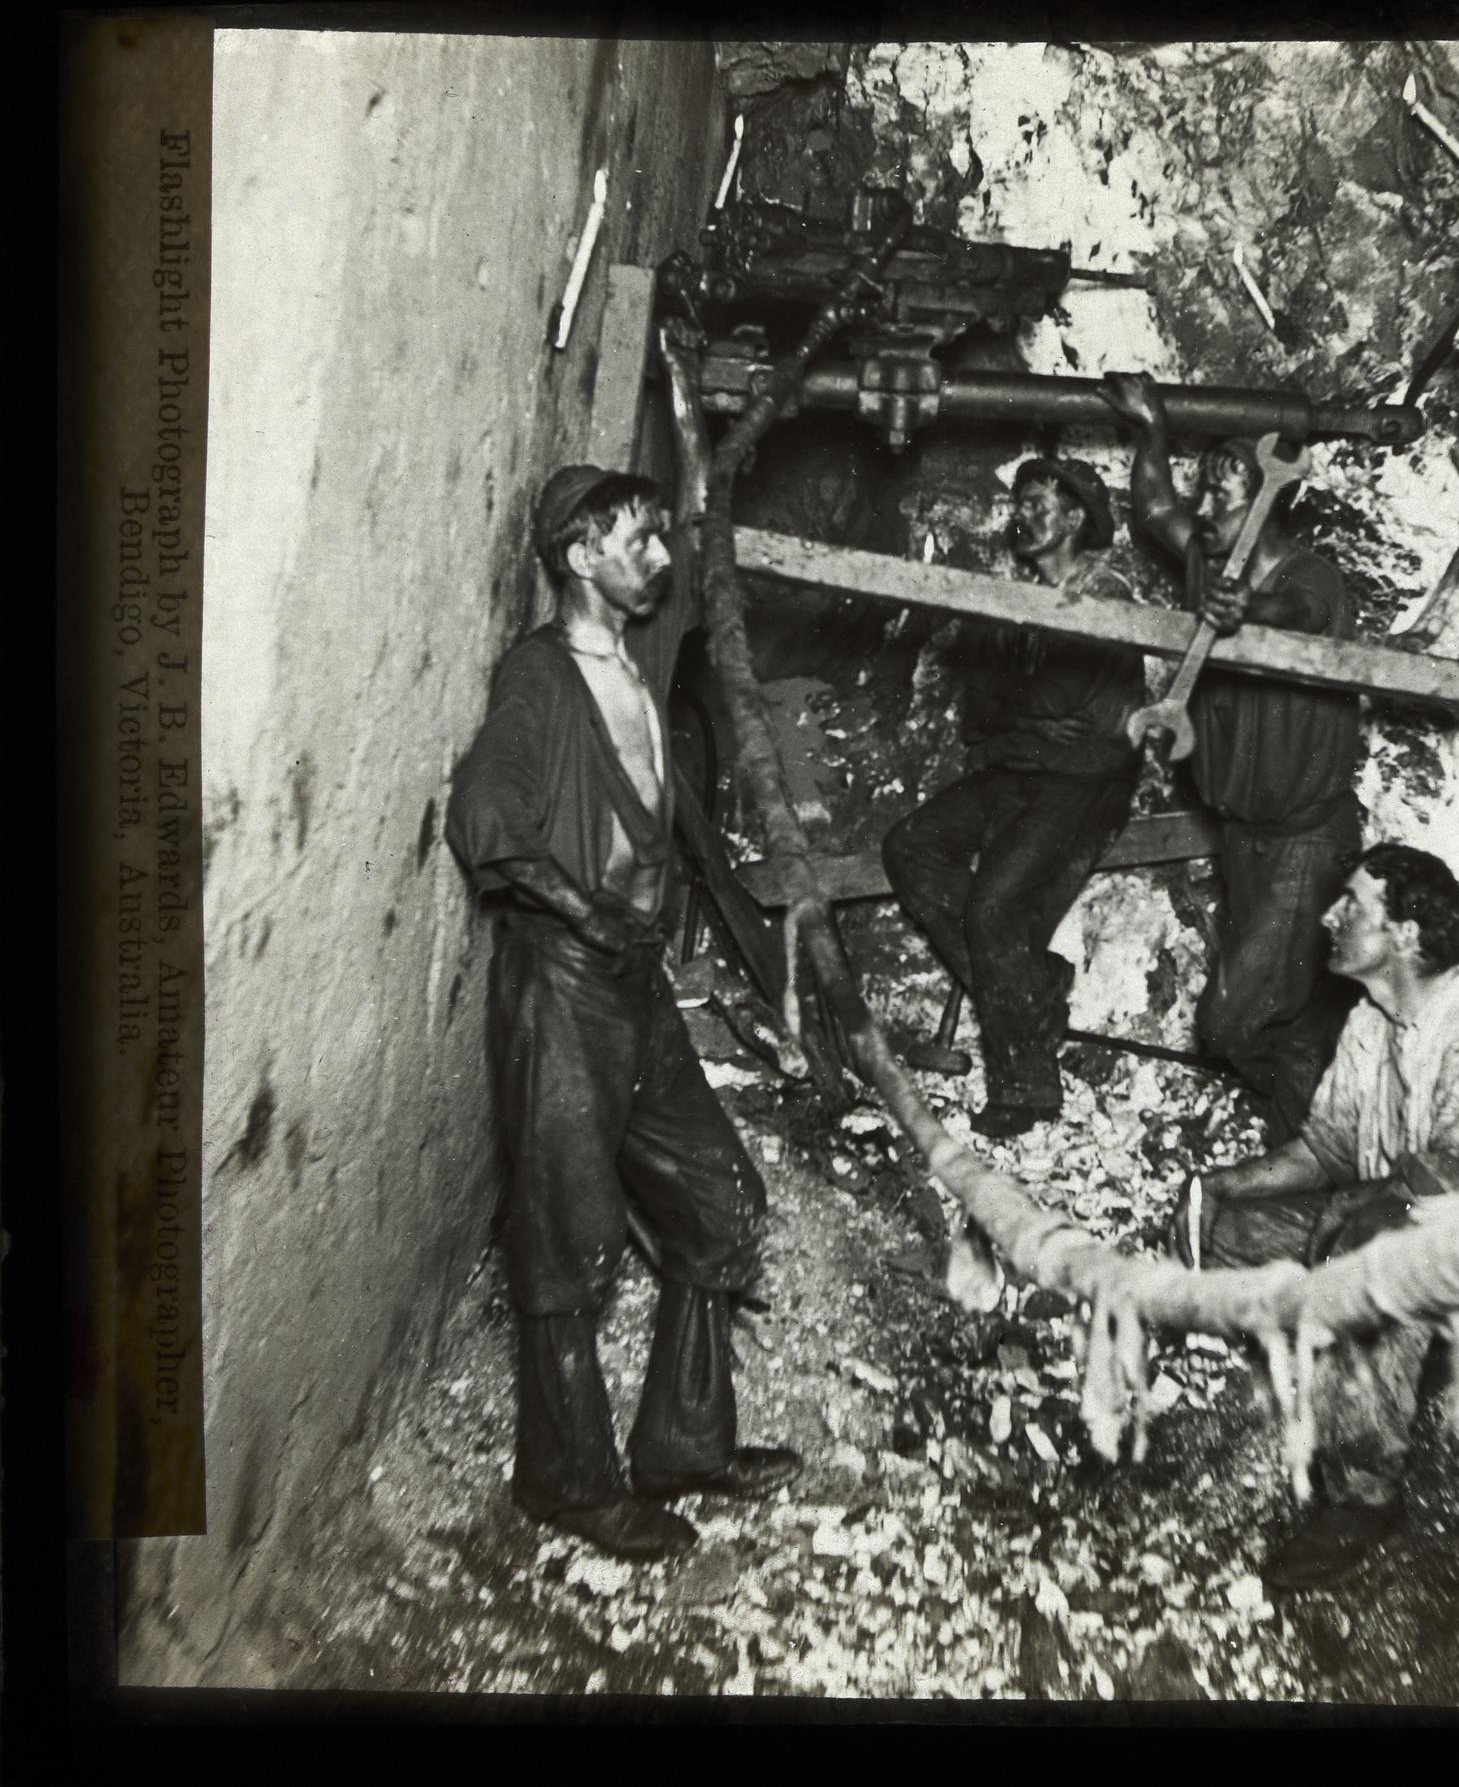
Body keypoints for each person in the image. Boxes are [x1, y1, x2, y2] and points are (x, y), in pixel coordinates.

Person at [448, 465, 796, 1561]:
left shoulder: (634, 670)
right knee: (567, 1243)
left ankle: (683, 1446)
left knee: (717, 1201)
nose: (658, 555)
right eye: (638, 539)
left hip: (633, 988)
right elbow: (484, 817)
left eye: (659, 536)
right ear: (579, 554)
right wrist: (584, 913)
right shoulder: (540, 680)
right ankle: (568, 1484)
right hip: (561, 987)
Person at [1194, 844, 1459, 1590]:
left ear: (1402, 933)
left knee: (1370, 1241)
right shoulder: (1372, 1022)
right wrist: (1220, 1185)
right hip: (1404, 1242)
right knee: (1224, 1237)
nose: (1330, 917)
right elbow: (1329, 1147)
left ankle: (1366, 1495)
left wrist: (1350, 1222)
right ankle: (1367, 1375)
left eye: (1353, 904)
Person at [1103, 373, 1372, 1142]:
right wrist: (1150, 431)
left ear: (1267, 502)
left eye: (1224, 496)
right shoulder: (1206, 565)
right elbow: (1157, 508)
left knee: (1228, 1024)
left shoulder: (1311, 580)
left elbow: (1298, 616)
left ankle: (1330, 1132)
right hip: (1247, 839)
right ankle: (1316, 1133)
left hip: (1304, 842)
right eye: (1207, 492)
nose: (1206, 508)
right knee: (1283, 1016)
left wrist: (1245, 613)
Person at [880, 457, 1146, 1140]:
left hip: (1086, 782)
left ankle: (1027, 1086)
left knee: (993, 908)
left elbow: (1067, 708)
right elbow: (983, 713)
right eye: (1019, 505)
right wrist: (1028, 718)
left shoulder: (1106, 592)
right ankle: (1035, 985)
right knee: (909, 848)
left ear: (1077, 519)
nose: (1020, 517)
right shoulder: (1015, 600)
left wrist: (1025, 713)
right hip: (1022, 769)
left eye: (1037, 504)